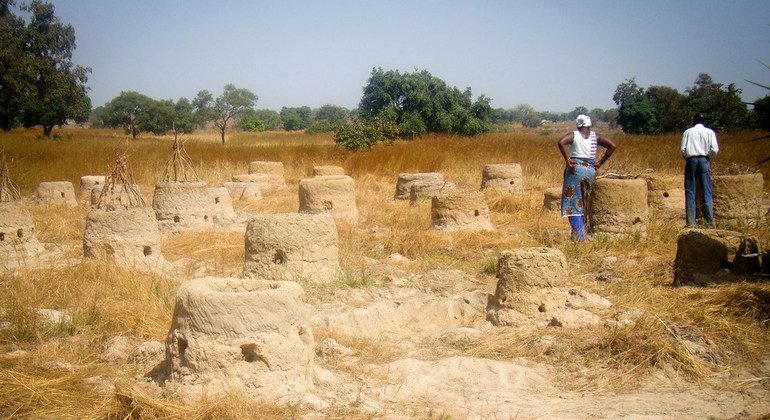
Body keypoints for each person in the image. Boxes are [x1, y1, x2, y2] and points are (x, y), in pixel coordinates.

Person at [557, 114, 617, 241]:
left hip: (575, 170)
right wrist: (599, 163)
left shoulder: (574, 135)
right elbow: (612, 146)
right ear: (589, 124)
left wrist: (567, 159)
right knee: (584, 202)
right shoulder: (596, 137)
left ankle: (580, 236)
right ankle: (579, 233)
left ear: (578, 125)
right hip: (590, 170)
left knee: (573, 203)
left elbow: (561, 142)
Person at [680, 113, 718, 227]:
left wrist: (688, 158)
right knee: (706, 190)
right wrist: (707, 158)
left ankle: (691, 222)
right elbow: (715, 149)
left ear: (694, 121)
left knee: (690, 190)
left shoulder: (688, 132)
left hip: (691, 160)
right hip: (704, 160)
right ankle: (709, 221)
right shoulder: (710, 132)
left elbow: (683, 149)